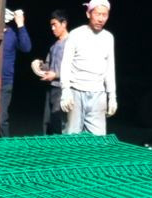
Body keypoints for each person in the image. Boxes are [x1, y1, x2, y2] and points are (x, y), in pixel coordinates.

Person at [59, 0, 116, 135]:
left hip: (98, 95)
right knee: (72, 137)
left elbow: (109, 69)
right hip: (75, 92)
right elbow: (66, 64)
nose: (101, 19)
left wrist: (112, 96)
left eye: (104, 15)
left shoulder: (108, 38)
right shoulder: (75, 34)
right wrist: (65, 90)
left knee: (97, 140)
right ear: (88, 14)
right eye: (97, 14)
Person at [34, 10, 70, 135]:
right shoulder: (54, 46)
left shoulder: (71, 43)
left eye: (55, 24)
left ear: (64, 24)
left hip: (63, 89)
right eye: (51, 25)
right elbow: (49, 66)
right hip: (51, 89)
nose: (52, 28)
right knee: (47, 123)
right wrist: (40, 65)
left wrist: (56, 75)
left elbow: (75, 68)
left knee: (59, 123)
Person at [0, 7, 31, 137]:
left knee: (1, 119)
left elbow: (26, 47)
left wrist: (21, 25)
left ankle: (5, 145)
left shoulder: (12, 33)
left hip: (5, 82)